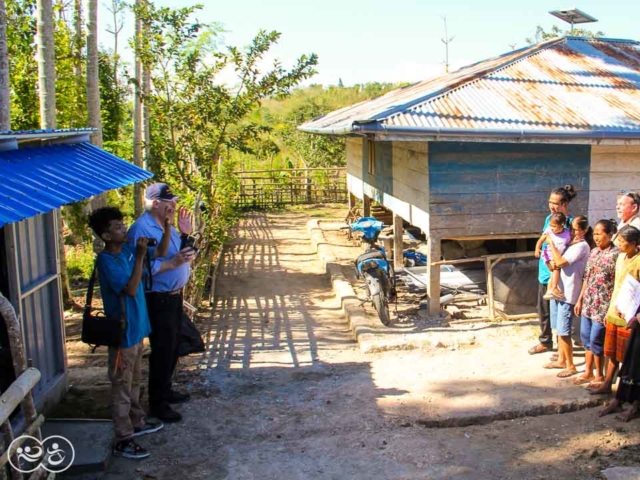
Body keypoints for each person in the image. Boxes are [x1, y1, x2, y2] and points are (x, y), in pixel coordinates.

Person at [88, 207, 171, 459]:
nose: (124, 229)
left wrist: (167, 227)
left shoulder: (126, 250)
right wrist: (139, 257)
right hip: (122, 334)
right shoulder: (107, 260)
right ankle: (123, 438)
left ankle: (137, 422)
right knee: (121, 386)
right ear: (105, 235)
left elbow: (163, 252)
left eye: (123, 225)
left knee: (134, 381)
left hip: (137, 329)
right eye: (117, 227)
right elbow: (132, 289)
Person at [128, 183, 196, 423]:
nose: (174, 206)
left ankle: (165, 389)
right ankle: (157, 403)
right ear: (155, 203)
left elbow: (179, 254)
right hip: (157, 298)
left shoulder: (166, 225)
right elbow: (141, 268)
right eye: (169, 202)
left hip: (174, 296)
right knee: (163, 349)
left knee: (174, 345)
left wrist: (186, 236)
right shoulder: (141, 230)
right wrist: (174, 264)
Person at [592, 226, 640, 397]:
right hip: (614, 309)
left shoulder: (639, 261)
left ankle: (622, 393)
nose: (618, 244)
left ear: (634, 243)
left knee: (626, 357)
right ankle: (607, 383)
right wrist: (609, 311)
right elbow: (616, 286)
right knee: (611, 352)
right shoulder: (620, 258)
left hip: (630, 315)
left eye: (622, 241)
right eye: (618, 240)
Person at [529, 185, 577, 355]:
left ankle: (561, 347)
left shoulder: (571, 224)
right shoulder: (549, 218)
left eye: (555, 203)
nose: (551, 206)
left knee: (559, 312)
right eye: (550, 202)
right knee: (543, 309)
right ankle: (545, 341)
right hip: (545, 271)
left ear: (565, 204)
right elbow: (544, 239)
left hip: (560, 274)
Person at [542, 215, 592, 378]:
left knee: (564, 330)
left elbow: (561, 262)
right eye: (571, 228)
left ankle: (570, 365)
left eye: (575, 229)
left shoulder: (581, 246)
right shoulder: (570, 243)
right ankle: (561, 359)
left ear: (583, 231)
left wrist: (550, 244)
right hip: (559, 290)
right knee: (557, 327)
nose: (571, 231)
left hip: (569, 293)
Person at [573, 219, 618, 387]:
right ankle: (588, 371)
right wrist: (580, 299)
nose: (597, 237)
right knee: (586, 338)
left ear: (610, 234)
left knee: (596, 340)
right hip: (589, 302)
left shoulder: (616, 255)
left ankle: (600, 375)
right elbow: (587, 278)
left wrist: (611, 309)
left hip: (604, 304)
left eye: (600, 234)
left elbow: (617, 283)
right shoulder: (593, 252)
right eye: (595, 234)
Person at [536, 212, 571, 301]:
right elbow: (540, 240)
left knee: (553, 273)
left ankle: (549, 291)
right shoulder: (549, 231)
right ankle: (554, 287)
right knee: (556, 268)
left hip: (558, 256)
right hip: (548, 255)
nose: (552, 228)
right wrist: (537, 249)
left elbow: (569, 243)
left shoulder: (567, 233)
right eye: (551, 225)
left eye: (554, 226)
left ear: (562, 225)